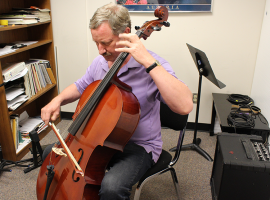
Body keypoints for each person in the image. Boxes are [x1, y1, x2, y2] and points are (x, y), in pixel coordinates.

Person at [41, 3, 193, 200]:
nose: (100, 50)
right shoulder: (101, 62)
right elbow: (80, 86)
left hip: (139, 146)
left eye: (105, 42)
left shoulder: (154, 65)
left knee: (112, 187)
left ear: (126, 33)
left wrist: (147, 60)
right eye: (96, 43)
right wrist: (57, 100)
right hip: (99, 139)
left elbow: (184, 106)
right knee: (50, 155)